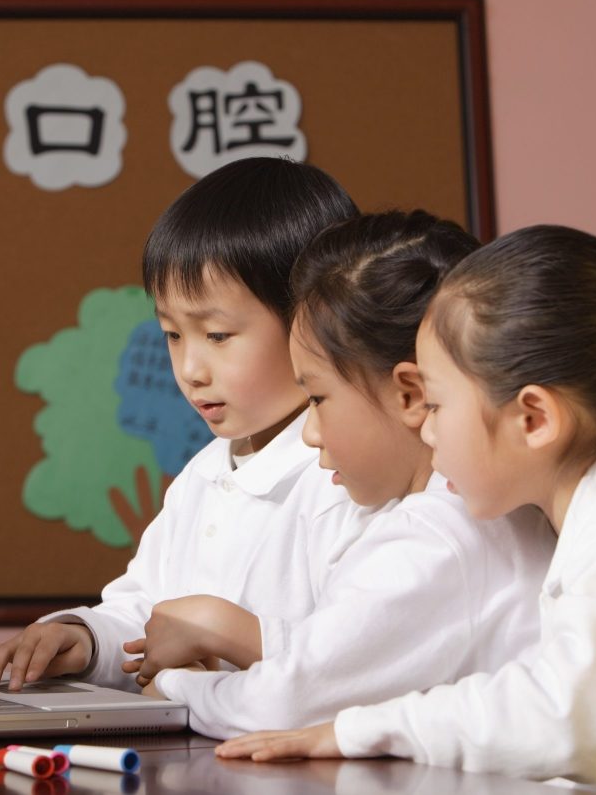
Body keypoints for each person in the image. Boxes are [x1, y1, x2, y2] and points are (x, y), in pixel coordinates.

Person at [218, 225, 596, 793]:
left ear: (534, 419)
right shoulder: (595, 519)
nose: (427, 433)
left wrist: (356, 731)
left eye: (436, 406)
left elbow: (558, 717)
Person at [143, 211, 557, 739]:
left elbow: (291, 699)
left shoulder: (441, 533)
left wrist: (175, 690)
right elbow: (344, 655)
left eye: (317, 398)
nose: (310, 433)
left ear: (409, 393)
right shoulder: (451, 516)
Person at [0, 157, 367, 692]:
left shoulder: (351, 479)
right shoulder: (204, 474)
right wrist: (85, 640)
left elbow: (357, 660)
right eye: (172, 334)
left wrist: (221, 644)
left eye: (218, 335)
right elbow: (148, 613)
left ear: (313, 320)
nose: (189, 370)